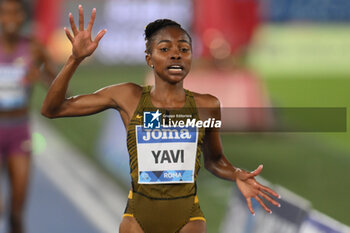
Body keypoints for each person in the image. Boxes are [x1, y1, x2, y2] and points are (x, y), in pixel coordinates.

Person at [41, 5, 281, 233]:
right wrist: (75, 59)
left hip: (188, 220)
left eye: (183, 49)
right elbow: (52, 109)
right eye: (165, 49)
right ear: (149, 58)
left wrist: (236, 173)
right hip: (138, 220)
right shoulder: (128, 96)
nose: (175, 55)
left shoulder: (207, 105)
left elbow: (214, 160)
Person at [0, 0, 56, 232]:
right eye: (5, 13)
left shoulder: (34, 48)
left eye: (16, 13)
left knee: (16, 213)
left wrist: (41, 76)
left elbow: (62, 90)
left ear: (24, 17)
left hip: (19, 132)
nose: (11, 19)